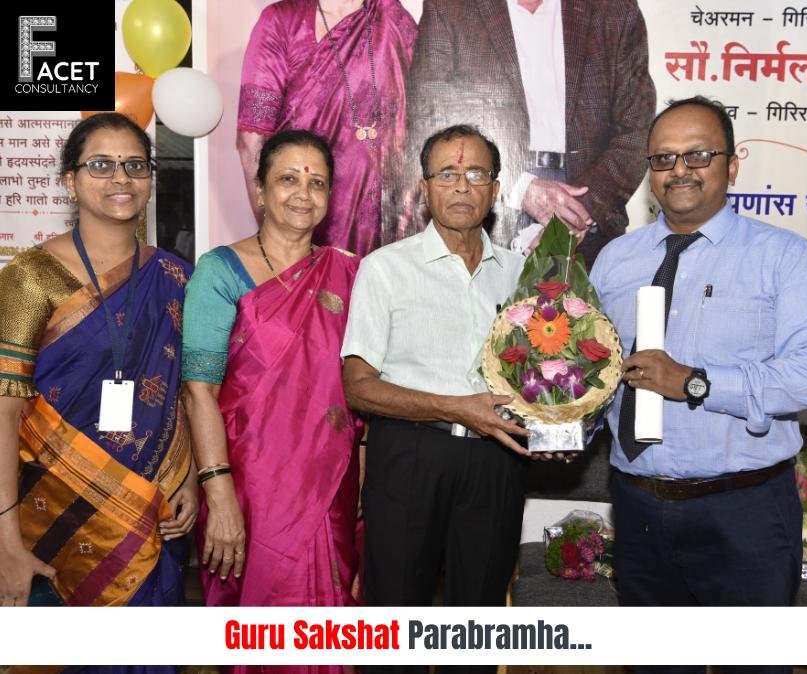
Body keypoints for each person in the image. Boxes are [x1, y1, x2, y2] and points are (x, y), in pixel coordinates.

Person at [590, 97, 807, 673]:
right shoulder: (614, 260)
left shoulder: (785, 257)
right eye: (663, 158)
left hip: (745, 514)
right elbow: (597, 373)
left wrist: (693, 382)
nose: (679, 170)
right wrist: (567, 421)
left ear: (732, 165)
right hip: (638, 508)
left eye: (698, 155)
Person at [0, 113, 196, 620]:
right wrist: (6, 541)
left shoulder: (177, 277)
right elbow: (3, 414)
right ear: (70, 181)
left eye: (135, 165)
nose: (121, 178)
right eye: (101, 165)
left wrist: (189, 475)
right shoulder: (29, 278)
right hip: (51, 513)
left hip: (153, 506)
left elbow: (186, 391)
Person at [342, 125, 529, 636]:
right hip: (410, 456)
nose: (462, 186)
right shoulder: (385, 268)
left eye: (476, 174)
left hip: (497, 461)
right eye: (447, 174)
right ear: (424, 188)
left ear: (495, 188)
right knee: (395, 616)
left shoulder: (521, 273)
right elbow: (358, 386)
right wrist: (456, 407)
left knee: (479, 618)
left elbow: (540, 375)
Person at [182, 131, 362, 633]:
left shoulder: (350, 274)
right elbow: (199, 392)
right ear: (260, 190)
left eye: (317, 182)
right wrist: (219, 495)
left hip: (332, 483)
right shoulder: (219, 272)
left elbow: (359, 390)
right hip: (248, 488)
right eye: (287, 179)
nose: (303, 193)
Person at [393, 0, 656, 268]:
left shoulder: (614, 9)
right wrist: (519, 188)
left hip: (587, 226)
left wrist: (580, 209)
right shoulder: (452, 7)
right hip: (486, 217)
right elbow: (430, 119)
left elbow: (637, 130)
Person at [237, 0, 417, 256]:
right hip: (305, 219)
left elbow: (421, 126)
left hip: (383, 228)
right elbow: (252, 142)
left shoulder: (393, 17)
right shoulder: (282, 21)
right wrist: (274, 234)